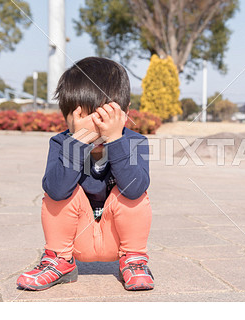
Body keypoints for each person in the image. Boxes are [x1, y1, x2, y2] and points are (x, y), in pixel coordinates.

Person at [16, 57, 153, 291]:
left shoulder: (134, 141)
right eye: (85, 123)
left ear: (125, 114)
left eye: (103, 122)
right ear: (67, 117)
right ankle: (59, 261)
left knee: (133, 193)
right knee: (56, 193)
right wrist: (77, 142)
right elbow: (56, 190)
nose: (96, 133)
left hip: (118, 239)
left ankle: (134, 260)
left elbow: (135, 189)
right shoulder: (62, 142)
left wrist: (115, 140)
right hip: (75, 239)